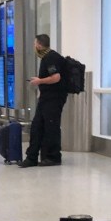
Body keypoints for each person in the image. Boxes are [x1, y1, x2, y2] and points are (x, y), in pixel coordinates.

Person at [19, 34, 69, 168]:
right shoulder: (47, 57)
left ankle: (53, 157)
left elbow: (56, 77)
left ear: (39, 45)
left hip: (53, 99)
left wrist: (39, 81)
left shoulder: (51, 58)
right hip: (46, 99)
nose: (34, 46)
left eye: (35, 44)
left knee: (51, 127)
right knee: (37, 127)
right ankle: (32, 157)